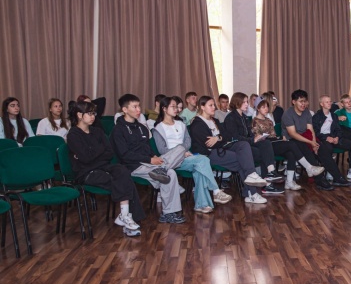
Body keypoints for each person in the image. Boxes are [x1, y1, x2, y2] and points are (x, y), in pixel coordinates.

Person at [67, 101, 145, 237]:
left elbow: (109, 153)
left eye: (94, 113)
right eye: (89, 113)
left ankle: (124, 215)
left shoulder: (97, 131)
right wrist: (99, 150)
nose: (93, 116)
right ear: (79, 115)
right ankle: (126, 216)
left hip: (102, 166)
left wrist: (92, 152)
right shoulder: (73, 134)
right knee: (118, 180)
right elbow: (86, 158)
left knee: (123, 171)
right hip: (86, 172)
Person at [111, 94, 186, 224]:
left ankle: (162, 170)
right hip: (134, 166)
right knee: (170, 173)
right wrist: (149, 160)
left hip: (150, 163)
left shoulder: (142, 128)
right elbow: (124, 155)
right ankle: (168, 213)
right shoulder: (118, 130)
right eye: (135, 106)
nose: (138, 109)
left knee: (180, 149)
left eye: (139, 106)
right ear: (125, 109)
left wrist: (153, 156)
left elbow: (147, 148)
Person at [152, 96, 232, 213]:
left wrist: (183, 152)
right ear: (164, 109)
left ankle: (202, 204)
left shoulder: (180, 124)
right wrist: (180, 152)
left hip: (186, 158)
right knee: (202, 160)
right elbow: (162, 150)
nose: (176, 109)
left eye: (176, 107)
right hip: (170, 160)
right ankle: (215, 191)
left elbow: (188, 142)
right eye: (173, 107)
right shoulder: (158, 128)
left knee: (199, 168)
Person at [189, 95, 269, 204]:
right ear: (202, 107)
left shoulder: (215, 120)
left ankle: (251, 180)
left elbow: (226, 135)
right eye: (210, 105)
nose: (214, 107)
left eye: (214, 105)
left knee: (244, 145)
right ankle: (252, 193)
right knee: (242, 159)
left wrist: (218, 138)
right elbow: (209, 145)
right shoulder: (197, 123)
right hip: (209, 154)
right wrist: (220, 139)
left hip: (222, 149)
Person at [253, 98, 324, 190]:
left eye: (267, 106)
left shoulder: (269, 121)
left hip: (273, 142)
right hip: (265, 146)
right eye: (263, 107)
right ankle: (308, 167)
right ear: (258, 109)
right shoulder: (255, 121)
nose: (266, 109)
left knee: (291, 153)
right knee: (292, 144)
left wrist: (280, 138)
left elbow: (273, 135)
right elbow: (257, 137)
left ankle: (289, 182)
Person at [224, 92, 284, 195]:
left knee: (266, 143)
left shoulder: (243, 117)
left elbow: (249, 133)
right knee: (262, 153)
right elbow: (235, 138)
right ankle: (268, 185)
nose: (247, 104)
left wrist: (257, 137)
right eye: (244, 102)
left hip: (247, 143)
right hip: (239, 147)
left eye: (247, 102)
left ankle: (271, 171)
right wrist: (253, 140)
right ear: (237, 102)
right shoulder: (230, 118)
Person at [281, 89, 335, 191]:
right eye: (301, 101)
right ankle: (320, 180)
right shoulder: (288, 114)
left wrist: (314, 142)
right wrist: (310, 142)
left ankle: (335, 176)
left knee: (322, 148)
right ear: (293, 102)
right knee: (305, 149)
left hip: (305, 138)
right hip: (291, 140)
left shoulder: (306, 112)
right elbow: (292, 134)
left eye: (305, 101)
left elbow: (310, 130)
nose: (303, 104)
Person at [312, 95, 351, 180]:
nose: (329, 103)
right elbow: (315, 132)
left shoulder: (334, 116)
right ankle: (329, 171)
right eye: (327, 102)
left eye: (330, 101)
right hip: (323, 139)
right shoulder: (316, 117)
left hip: (334, 138)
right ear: (321, 104)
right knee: (328, 148)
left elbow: (338, 130)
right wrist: (326, 138)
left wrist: (337, 137)